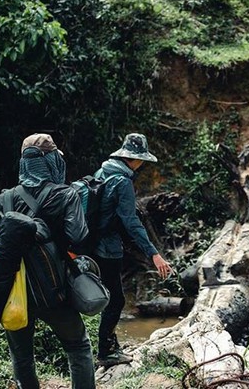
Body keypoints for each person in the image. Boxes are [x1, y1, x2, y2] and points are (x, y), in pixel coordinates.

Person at [0, 133, 95, 389]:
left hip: (14, 291)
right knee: (78, 346)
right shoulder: (65, 195)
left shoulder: (4, 199)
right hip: (54, 289)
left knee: (22, 356)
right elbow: (78, 236)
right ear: (52, 161)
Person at [92, 133, 172, 367]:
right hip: (108, 249)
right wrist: (153, 253)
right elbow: (131, 221)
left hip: (93, 244)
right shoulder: (123, 181)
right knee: (116, 300)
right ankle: (106, 352)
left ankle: (110, 345)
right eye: (142, 161)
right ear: (135, 159)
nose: (142, 165)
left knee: (109, 296)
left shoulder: (103, 172)